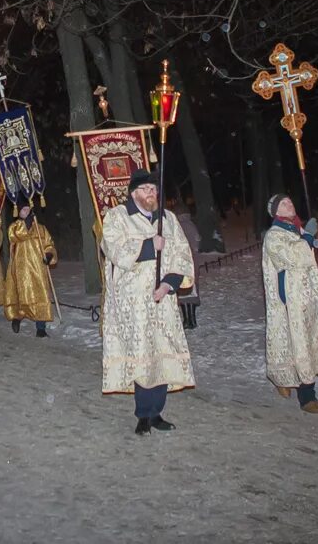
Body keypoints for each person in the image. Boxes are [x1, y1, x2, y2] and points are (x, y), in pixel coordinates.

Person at [101, 170, 195, 435]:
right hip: (133, 300)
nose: (151, 194)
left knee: (162, 351)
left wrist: (169, 283)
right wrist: (147, 246)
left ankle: (157, 412)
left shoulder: (168, 219)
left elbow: (181, 253)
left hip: (162, 297)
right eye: (145, 190)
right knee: (142, 354)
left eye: (154, 189)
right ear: (134, 193)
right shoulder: (118, 216)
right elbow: (113, 248)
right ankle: (143, 414)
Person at [262, 194, 318, 414]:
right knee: (299, 342)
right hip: (291, 296)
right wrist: (307, 239)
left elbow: (308, 260)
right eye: (284, 203)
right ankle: (307, 397)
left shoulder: (296, 230)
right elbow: (292, 257)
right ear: (276, 212)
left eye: (290, 201)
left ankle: (284, 379)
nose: (290, 204)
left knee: (302, 340)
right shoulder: (274, 235)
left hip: (308, 295)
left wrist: (308, 237)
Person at [3, 204, 57, 337]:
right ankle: (17, 318)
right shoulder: (14, 227)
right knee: (22, 294)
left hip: (38, 267)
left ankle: (41, 327)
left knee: (41, 295)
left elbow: (49, 244)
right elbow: (15, 236)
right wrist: (25, 224)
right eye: (23, 210)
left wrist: (49, 255)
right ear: (18, 212)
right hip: (21, 268)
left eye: (28, 210)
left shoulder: (41, 229)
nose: (26, 212)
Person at [173, 208, 203, 329]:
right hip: (192, 262)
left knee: (184, 291)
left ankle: (187, 320)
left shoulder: (180, 227)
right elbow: (197, 241)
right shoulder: (191, 225)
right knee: (192, 291)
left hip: (183, 263)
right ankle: (192, 319)